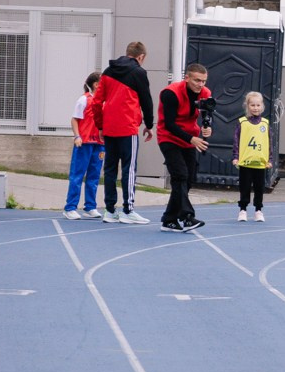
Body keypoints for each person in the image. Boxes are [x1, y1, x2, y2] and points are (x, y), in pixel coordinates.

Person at [97, 41, 152, 224]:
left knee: (110, 169)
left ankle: (110, 210)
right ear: (141, 57)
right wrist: (149, 124)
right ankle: (128, 210)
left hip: (110, 128)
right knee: (129, 169)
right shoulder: (138, 72)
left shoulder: (108, 71)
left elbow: (97, 102)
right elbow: (146, 100)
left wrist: (100, 126)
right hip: (128, 127)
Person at [156, 61, 213, 231]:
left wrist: (207, 127)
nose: (200, 84)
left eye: (203, 81)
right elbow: (169, 124)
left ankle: (169, 220)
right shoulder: (170, 93)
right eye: (197, 80)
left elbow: (207, 115)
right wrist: (191, 139)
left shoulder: (205, 93)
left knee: (188, 179)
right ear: (187, 78)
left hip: (189, 138)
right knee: (180, 175)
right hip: (169, 137)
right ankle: (187, 217)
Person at [64, 71, 103, 219]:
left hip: (99, 143)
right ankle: (70, 207)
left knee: (94, 176)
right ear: (96, 84)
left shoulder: (104, 101)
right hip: (85, 142)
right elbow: (74, 119)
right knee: (77, 175)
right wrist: (77, 136)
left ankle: (90, 207)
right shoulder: (84, 100)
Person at [235, 90, 274, 221]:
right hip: (245, 162)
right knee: (244, 187)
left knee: (259, 188)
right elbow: (236, 141)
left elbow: (269, 143)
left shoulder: (265, 124)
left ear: (262, 106)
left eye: (258, 105)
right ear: (247, 106)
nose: (255, 108)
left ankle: (258, 210)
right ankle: (243, 210)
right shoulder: (242, 123)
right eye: (252, 105)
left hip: (260, 164)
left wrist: (269, 159)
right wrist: (235, 157)